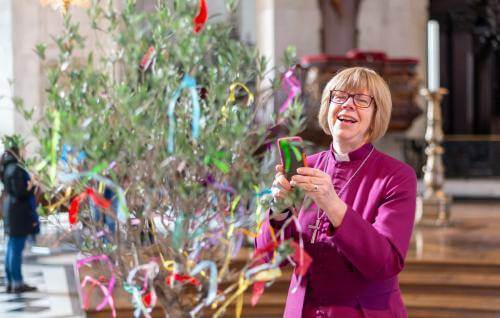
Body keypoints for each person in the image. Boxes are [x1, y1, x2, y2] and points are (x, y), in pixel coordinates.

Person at [256, 67, 417, 317]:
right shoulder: (306, 167)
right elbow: (268, 256)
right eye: (338, 97)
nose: (347, 105)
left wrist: (332, 204)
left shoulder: (397, 176)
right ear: (327, 107)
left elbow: (385, 264)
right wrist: (279, 210)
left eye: (361, 100)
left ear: (376, 116)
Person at [1, 144, 39, 293]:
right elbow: (19, 192)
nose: (25, 153)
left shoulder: (7, 167)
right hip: (17, 212)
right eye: (24, 150)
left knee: (11, 247)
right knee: (15, 248)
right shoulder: (16, 169)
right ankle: (17, 283)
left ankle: (12, 282)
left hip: (11, 210)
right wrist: (32, 186)